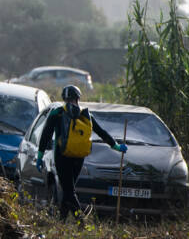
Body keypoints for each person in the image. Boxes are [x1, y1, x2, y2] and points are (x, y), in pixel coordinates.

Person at [36, 85, 127, 220]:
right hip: (79, 157)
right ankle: (61, 221)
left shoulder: (57, 113)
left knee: (68, 190)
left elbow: (45, 135)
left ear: (64, 99)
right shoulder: (86, 115)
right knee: (69, 189)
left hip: (62, 156)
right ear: (78, 98)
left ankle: (81, 221)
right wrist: (116, 146)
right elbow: (101, 132)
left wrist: (40, 156)